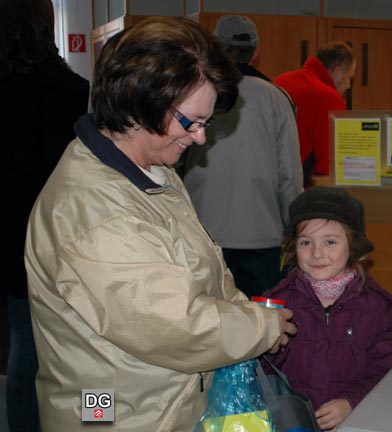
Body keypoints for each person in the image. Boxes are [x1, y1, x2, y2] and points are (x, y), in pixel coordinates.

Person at [24, 17, 296, 431]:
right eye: (193, 122)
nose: (201, 138)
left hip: (157, 400)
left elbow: (202, 268)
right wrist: (261, 327)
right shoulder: (96, 211)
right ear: (140, 103)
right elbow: (174, 326)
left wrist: (241, 310)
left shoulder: (152, 170)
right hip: (115, 414)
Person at [1, 0, 89, 430]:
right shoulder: (68, 92)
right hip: (59, 241)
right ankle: (88, 420)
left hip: (10, 238)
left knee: (24, 345)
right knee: (74, 351)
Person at [264, 186, 392, 431]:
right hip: (292, 424)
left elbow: (390, 369)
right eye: (306, 242)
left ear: (351, 247)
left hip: (355, 422)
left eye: (330, 242)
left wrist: (352, 401)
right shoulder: (279, 303)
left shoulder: (376, 307)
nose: (317, 253)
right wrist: (266, 343)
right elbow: (261, 372)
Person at [183, 15, 303, 298]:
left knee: (211, 320)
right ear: (256, 52)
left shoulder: (194, 90)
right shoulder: (276, 98)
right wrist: (295, 227)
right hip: (260, 236)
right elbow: (289, 173)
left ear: (214, 46)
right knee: (262, 323)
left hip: (203, 233)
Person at [274, 42, 356, 186]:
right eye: (349, 78)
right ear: (337, 73)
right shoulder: (329, 97)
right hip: (296, 187)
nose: (349, 86)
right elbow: (329, 165)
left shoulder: (281, 80)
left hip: (268, 179)